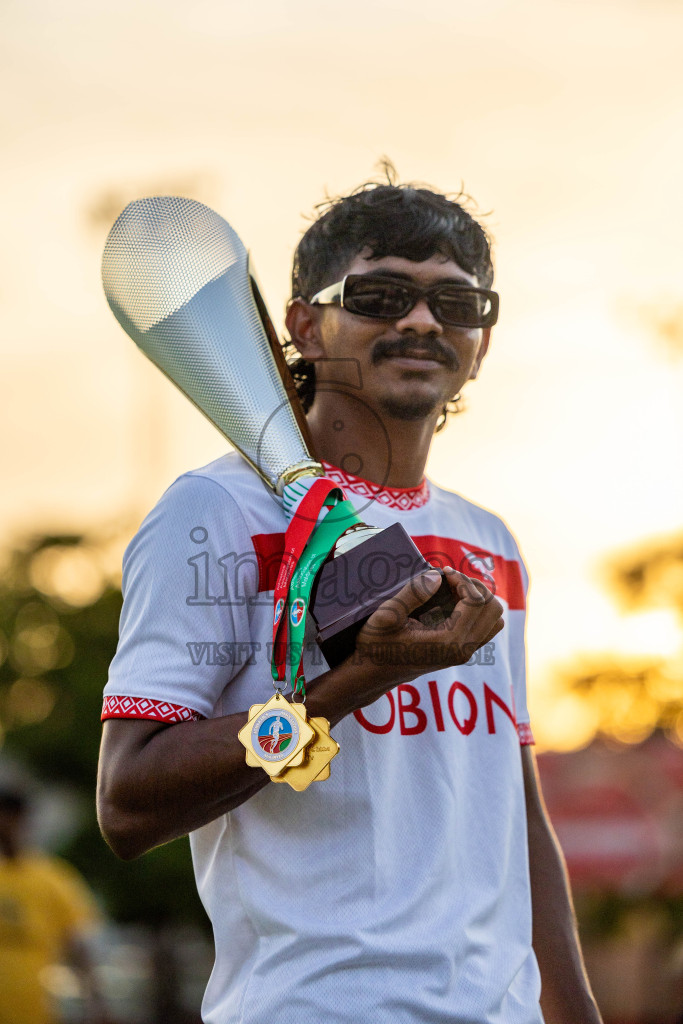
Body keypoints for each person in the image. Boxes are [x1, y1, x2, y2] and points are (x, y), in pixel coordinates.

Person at [97, 170, 603, 1024]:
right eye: (380, 295)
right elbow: (128, 801)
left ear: (482, 336)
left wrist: (575, 1011)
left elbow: (512, 810)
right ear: (303, 325)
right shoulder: (214, 513)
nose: (419, 321)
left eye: (456, 303)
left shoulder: (489, 540)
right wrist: (352, 682)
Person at [0, 784, 108, 1024]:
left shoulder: (52, 877)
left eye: (9, 815)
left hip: (38, 1012)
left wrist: (96, 1002)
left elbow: (78, 946)